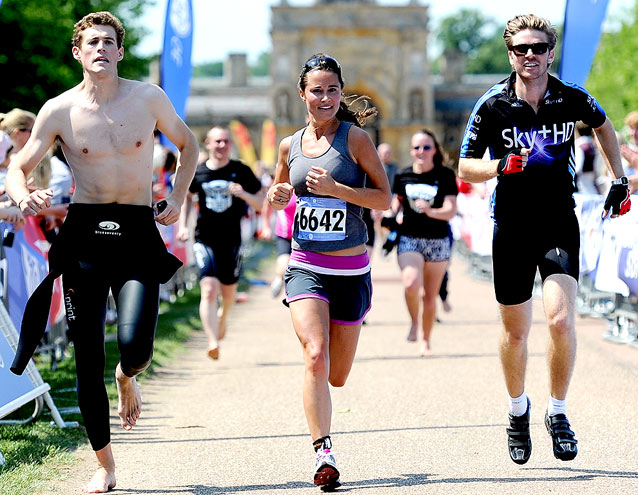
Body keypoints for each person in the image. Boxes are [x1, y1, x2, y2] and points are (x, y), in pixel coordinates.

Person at [5, 11, 199, 493]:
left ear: (120, 50)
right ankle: (105, 464)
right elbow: (18, 165)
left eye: (109, 42)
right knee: (86, 355)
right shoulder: (58, 110)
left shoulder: (148, 98)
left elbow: (188, 144)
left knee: (137, 348)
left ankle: (127, 375)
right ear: (78, 52)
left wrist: (175, 196)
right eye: (91, 42)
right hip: (85, 236)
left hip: (136, 231)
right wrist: (22, 192)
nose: (100, 49)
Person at [458, 14, 631, 466]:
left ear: (550, 52)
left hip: (558, 221)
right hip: (511, 226)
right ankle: (518, 411)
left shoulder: (571, 97)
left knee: (559, 321)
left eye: (538, 48)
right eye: (520, 49)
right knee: (516, 332)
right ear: (510, 54)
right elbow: (465, 166)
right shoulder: (492, 105)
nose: (529, 55)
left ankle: (558, 412)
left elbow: (604, 125)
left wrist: (620, 176)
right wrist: (500, 167)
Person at [267, 53, 390, 489]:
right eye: (316, 90)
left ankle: (326, 438)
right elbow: (279, 189)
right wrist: (279, 195)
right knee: (315, 355)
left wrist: (338, 189)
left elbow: (384, 198)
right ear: (302, 94)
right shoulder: (289, 144)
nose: (325, 97)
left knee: (337, 374)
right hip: (306, 267)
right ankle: (325, 453)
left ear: (341, 92)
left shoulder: (355, 140)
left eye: (332, 90)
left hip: (351, 271)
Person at [177, 126, 264, 360]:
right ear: (207, 143)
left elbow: (260, 203)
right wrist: (183, 225)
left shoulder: (240, 171)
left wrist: (244, 194)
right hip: (204, 238)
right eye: (217, 141)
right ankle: (213, 340)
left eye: (226, 141)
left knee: (228, 294)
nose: (222, 146)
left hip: (232, 240)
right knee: (208, 289)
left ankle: (223, 318)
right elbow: (186, 196)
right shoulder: (199, 172)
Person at [386, 129, 457, 355]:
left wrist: (430, 211)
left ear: (435, 150)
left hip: (438, 241)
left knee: (429, 296)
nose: (421, 151)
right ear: (411, 150)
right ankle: (414, 322)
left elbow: (450, 210)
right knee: (410, 283)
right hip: (410, 238)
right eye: (417, 147)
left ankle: (425, 340)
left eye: (426, 147)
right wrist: (386, 215)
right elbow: (395, 205)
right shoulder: (403, 176)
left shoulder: (445, 175)